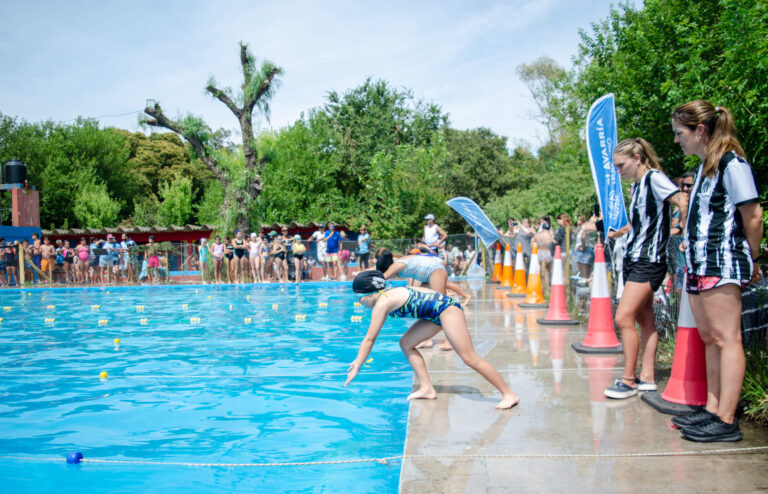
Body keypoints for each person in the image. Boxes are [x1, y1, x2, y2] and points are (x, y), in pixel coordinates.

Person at [669, 100, 763, 442]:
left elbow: (752, 216)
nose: (678, 140)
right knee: (710, 338)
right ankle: (711, 408)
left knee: (727, 338)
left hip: (721, 262)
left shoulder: (731, 164)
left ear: (700, 131)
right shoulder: (706, 167)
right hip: (699, 263)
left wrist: (751, 259)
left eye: (680, 134)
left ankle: (726, 418)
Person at [346, 270, 519, 409]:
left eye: (358, 297)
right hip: (434, 314)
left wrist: (357, 366)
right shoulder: (387, 295)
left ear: (369, 294)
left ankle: (509, 394)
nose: (359, 302)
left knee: (469, 358)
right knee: (406, 343)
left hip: (448, 310)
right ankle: (427, 388)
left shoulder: (383, 302)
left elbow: (369, 339)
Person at [603, 138, 688, 401]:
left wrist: (685, 233)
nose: (619, 171)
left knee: (623, 318)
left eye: (621, 165)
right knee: (644, 319)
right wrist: (620, 233)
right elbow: (645, 221)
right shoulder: (638, 185)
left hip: (649, 261)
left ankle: (629, 380)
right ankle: (647, 378)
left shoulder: (654, 178)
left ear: (637, 158)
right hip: (634, 257)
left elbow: (682, 199)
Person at [375, 248, 472, 350]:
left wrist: (366, 289)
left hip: (435, 272)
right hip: (431, 272)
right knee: (426, 308)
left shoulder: (396, 265)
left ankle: (449, 342)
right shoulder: (399, 260)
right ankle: (426, 340)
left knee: (442, 309)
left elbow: (382, 278)